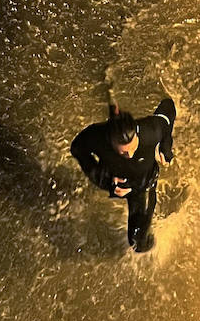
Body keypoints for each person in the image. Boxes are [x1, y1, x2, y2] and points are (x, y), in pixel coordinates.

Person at [70, 97, 177, 252]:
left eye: (133, 147)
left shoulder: (150, 131)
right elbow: (77, 148)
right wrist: (104, 179)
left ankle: (154, 242)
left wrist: (166, 146)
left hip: (144, 184)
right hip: (115, 181)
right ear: (110, 141)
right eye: (124, 152)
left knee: (137, 243)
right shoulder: (96, 137)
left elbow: (168, 107)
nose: (131, 154)